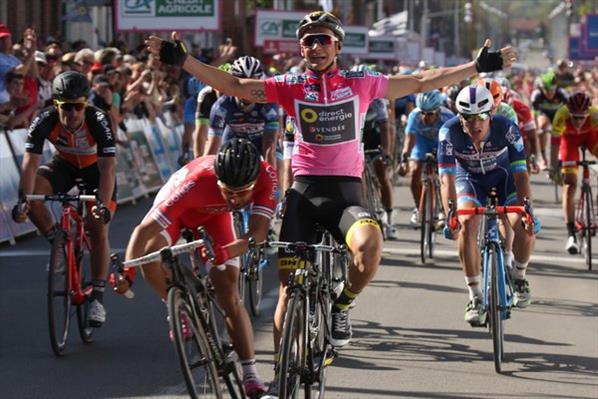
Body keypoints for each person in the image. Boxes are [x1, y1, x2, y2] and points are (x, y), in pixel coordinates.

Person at [144, 10, 517, 396]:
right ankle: (281, 375)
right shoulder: (290, 85)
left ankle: (341, 308)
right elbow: (237, 85)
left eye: (323, 39)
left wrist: (475, 67)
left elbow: (421, 80)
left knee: (370, 247)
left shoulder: (361, 83)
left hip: (345, 194)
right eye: (308, 40)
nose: (315, 46)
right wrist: (184, 61)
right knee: (289, 291)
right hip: (304, 192)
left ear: (337, 45)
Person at [119, 139, 277, 397]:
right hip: (179, 211)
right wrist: (127, 271)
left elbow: (258, 234)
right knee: (149, 255)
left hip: (215, 217)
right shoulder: (196, 181)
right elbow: (144, 230)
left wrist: (225, 252)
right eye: (228, 191)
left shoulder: (267, 177)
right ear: (218, 181)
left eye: (242, 192)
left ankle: (250, 374)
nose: (235, 199)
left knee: (228, 292)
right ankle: (176, 304)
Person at [12, 71, 116, 327]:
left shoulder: (98, 120)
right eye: (66, 107)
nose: (72, 114)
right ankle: (57, 243)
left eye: (78, 106)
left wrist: (101, 205)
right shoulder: (44, 120)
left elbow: (108, 169)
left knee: (97, 228)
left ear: (85, 103)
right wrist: (23, 200)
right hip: (64, 165)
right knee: (33, 196)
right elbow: (30, 163)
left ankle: (98, 299)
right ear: (56, 105)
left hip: (95, 171)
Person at [439, 86, 537, 326]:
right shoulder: (448, 132)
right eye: (468, 118)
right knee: (466, 225)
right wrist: (449, 213)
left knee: (522, 226)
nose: (475, 124)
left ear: (491, 114)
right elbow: (446, 180)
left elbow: (521, 175)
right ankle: (474, 296)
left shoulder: (507, 128)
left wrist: (527, 209)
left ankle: (519, 275)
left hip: (505, 178)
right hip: (468, 180)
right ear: (459, 116)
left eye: (481, 117)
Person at [204, 56, 279, 168]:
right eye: (242, 84)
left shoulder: (268, 104)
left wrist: (273, 181)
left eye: (252, 83)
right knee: (223, 163)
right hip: (233, 138)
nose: (247, 89)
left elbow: (269, 146)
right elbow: (212, 147)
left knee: (278, 161)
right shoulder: (222, 106)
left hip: (261, 138)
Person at [551, 92, 598, 254]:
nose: (578, 121)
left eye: (582, 117)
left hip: (590, 137)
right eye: (575, 117)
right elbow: (555, 142)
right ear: (569, 113)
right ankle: (571, 234)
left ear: (588, 113)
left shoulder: (594, 114)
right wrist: (554, 167)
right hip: (569, 142)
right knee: (569, 185)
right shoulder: (561, 114)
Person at [399, 90, 454, 226]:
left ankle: (443, 209)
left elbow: (454, 142)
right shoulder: (414, 115)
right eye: (422, 112)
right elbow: (409, 140)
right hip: (422, 142)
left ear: (438, 110)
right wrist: (404, 158)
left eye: (430, 114)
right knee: (416, 170)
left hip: (441, 143)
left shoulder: (448, 117)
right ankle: (419, 208)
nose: (425, 117)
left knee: (445, 176)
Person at [354, 64, 396, 239]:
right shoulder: (349, 94)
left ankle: (388, 216)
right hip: (356, 134)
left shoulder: (378, 99)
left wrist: (386, 152)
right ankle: (362, 211)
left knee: (381, 172)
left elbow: (385, 127)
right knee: (358, 175)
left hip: (374, 135)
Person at [531, 70, 568, 170]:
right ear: (542, 87)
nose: (550, 92)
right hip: (545, 114)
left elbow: (569, 113)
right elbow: (535, 114)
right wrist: (538, 129)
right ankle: (543, 158)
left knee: (565, 129)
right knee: (542, 125)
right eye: (547, 90)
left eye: (553, 89)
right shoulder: (536, 94)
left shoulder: (561, 93)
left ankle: (562, 155)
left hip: (558, 114)